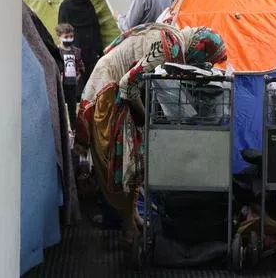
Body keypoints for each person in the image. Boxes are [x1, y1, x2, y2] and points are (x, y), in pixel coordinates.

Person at [75, 23, 227, 248]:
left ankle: (132, 216)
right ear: (197, 49)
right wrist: (147, 117)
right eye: (206, 58)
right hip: (109, 91)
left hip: (118, 89)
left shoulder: (173, 37)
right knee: (123, 163)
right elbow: (127, 85)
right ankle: (127, 227)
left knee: (137, 159)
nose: (205, 65)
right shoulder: (170, 49)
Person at [58, 0, 103, 92]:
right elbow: (62, 27)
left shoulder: (88, 5)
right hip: (74, 44)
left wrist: (98, 48)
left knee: (89, 75)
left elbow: (95, 26)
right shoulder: (66, 5)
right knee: (75, 75)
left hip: (90, 46)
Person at [56, 23, 84, 129]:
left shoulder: (76, 51)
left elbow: (81, 65)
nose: (69, 39)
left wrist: (78, 76)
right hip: (61, 84)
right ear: (59, 37)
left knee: (72, 108)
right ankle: (61, 129)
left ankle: (73, 129)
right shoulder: (57, 51)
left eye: (71, 36)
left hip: (72, 83)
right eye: (66, 37)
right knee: (60, 108)